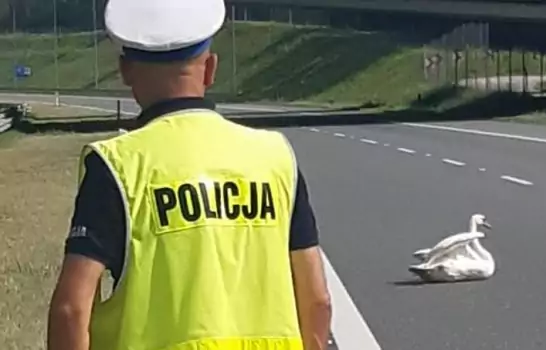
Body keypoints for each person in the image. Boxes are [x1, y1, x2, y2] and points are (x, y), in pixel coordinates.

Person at [45, 0, 332, 349]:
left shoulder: (118, 166)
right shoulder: (274, 157)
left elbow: (71, 310)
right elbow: (317, 299)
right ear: (210, 69)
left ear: (125, 71)